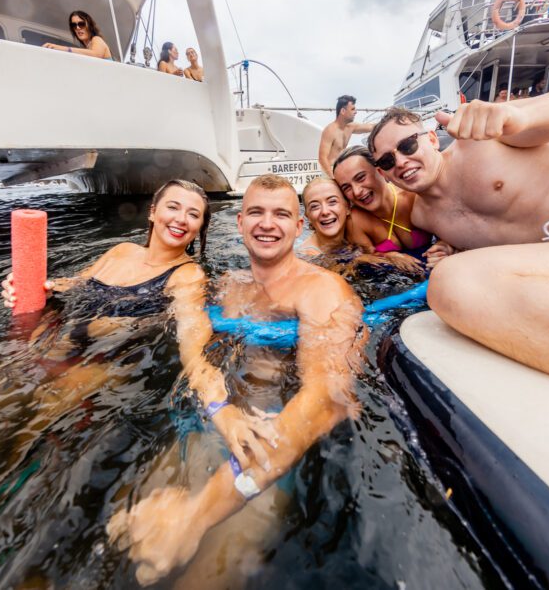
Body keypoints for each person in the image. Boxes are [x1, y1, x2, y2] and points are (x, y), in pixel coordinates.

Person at [108, 174, 364, 585]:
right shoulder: (229, 285)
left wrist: (198, 515)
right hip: (207, 423)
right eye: (257, 213)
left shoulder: (321, 290)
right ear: (240, 222)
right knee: (123, 539)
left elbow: (326, 397)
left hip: (273, 441)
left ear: (300, 227)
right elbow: (192, 346)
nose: (267, 223)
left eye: (281, 214)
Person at [368, 73, 549, 392]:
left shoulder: (479, 141)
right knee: (454, 280)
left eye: (407, 144)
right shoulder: (423, 218)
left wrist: (521, 113)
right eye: (387, 160)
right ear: (384, 174)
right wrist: (451, 248)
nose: (400, 160)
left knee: (453, 282)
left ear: (429, 137)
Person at [0, 180, 246, 454]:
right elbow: (70, 284)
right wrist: (27, 287)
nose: (181, 219)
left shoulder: (187, 277)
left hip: (109, 361)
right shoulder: (121, 251)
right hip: (62, 341)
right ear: (152, 212)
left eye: (193, 214)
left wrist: (222, 408)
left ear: (200, 227)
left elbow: (194, 350)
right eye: (173, 207)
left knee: (22, 421)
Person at [331, 145, 429, 270]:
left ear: (380, 171)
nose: (356, 191)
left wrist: (443, 245)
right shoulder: (355, 221)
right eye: (346, 187)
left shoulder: (413, 197)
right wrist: (388, 256)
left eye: (360, 177)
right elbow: (362, 259)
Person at [318, 95, 374, 175]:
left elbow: (371, 127)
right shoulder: (330, 130)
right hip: (330, 171)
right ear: (343, 111)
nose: (356, 112)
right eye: (352, 109)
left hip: (341, 170)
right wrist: (332, 178)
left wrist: (390, 120)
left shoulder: (350, 127)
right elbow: (322, 158)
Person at [43, 10, 113, 59]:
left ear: (89, 25)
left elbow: (96, 55)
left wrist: (64, 49)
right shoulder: (86, 49)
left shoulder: (97, 39)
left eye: (81, 24)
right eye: (74, 25)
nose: (78, 28)